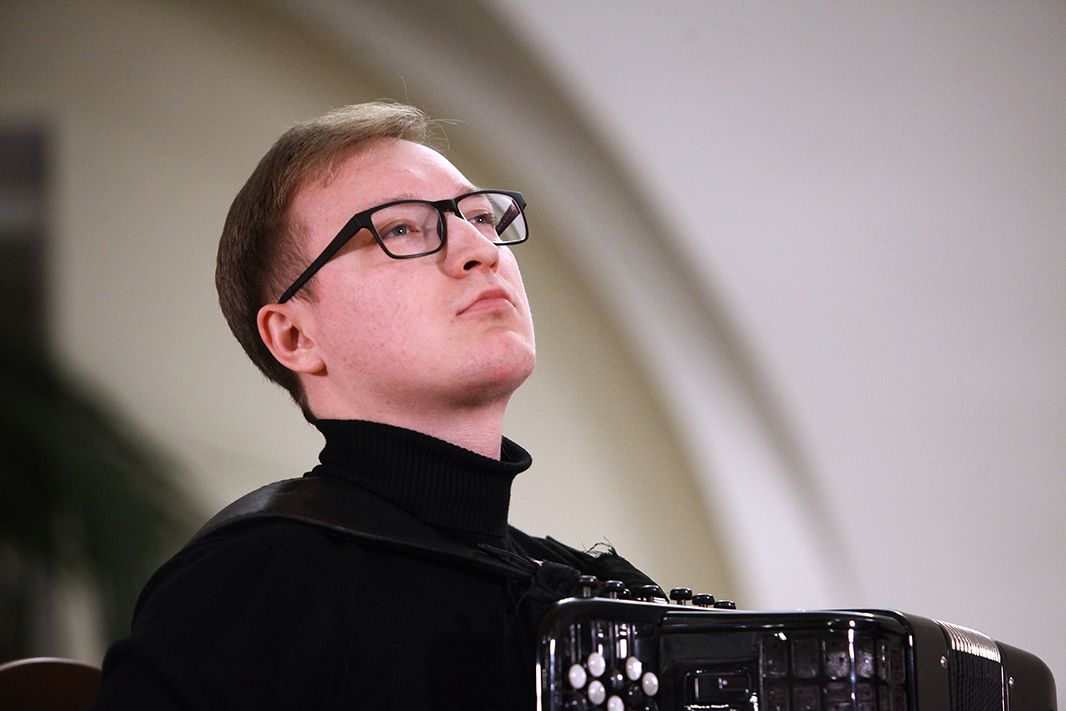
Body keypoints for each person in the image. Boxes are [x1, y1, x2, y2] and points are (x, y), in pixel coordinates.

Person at [89, 101, 654, 710]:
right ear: (295, 336)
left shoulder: (602, 601)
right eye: (400, 229)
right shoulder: (248, 586)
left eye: (481, 217)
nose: (479, 249)